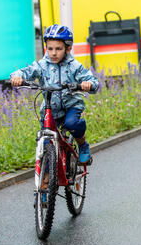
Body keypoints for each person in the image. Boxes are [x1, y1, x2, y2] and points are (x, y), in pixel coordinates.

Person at [10, 24, 100, 164]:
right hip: (50, 107)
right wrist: (17, 77)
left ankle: (82, 145)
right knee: (46, 139)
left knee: (72, 123)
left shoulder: (74, 66)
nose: (53, 53)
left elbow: (92, 80)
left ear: (68, 49)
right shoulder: (41, 65)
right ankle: (46, 177)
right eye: (50, 48)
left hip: (71, 105)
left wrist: (88, 84)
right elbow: (26, 71)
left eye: (58, 49)